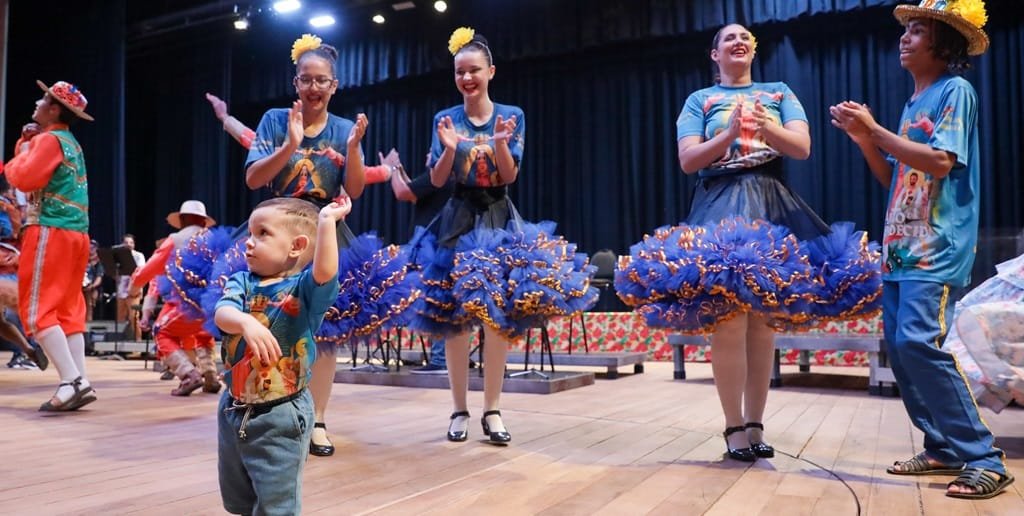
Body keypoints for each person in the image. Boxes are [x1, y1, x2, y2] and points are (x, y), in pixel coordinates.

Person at [616, 23, 880, 462]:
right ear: (714, 54)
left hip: (771, 203)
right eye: (728, 40)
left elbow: (801, 147)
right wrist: (730, 134)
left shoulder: (778, 92)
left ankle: (756, 423)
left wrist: (764, 126)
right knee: (729, 319)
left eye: (745, 39)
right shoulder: (699, 100)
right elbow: (688, 160)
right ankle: (732, 426)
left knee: (763, 323)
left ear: (753, 50)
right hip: (719, 203)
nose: (738, 43)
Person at [190, 33, 417, 457]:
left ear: (334, 86)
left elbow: (353, 188)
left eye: (322, 81)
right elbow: (254, 179)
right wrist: (291, 145)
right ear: (296, 82)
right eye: (306, 80)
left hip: (326, 231)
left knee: (323, 330)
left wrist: (352, 150)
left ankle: (316, 419)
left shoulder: (346, 128)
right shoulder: (277, 120)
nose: (314, 88)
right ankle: (257, 403)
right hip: (277, 226)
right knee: (262, 316)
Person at [830, 0, 1013, 499]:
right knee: (903, 351)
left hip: (936, 244)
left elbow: (937, 161)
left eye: (917, 31)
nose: (904, 39)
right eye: (904, 31)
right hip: (901, 247)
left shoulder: (956, 90)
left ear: (944, 43)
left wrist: (875, 130)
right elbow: (895, 179)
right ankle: (942, 446)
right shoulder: (915, 103)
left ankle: (983, 457)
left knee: (917, 343)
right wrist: (864, 140)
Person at [407, 27, 596, 445]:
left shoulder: (512, 114)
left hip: (497, 215)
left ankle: (492, 409)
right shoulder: (445, 119)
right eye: (460, 72)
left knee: (497, 319)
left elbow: (509, 174)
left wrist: (499, 144)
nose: (467, 78)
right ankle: (459, 409)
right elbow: (437, 180)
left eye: (474, 70)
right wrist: (451, 149)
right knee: (454, 320)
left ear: (490, 71)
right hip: (456, 217)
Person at [214, 197, 345, 515]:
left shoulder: (304, 289)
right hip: (233, 407)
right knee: (240, 500)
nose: (249, 242)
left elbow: (325, 271)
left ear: (296, 246)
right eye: (250, 233)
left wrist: (327, 221)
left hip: (281, 414)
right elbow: (222, 313)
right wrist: (245, 321)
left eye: (262, 233)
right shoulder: (241, 281)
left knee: (276, 505)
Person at [2, 79, 94, 411]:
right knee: (68, 311)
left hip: (50, 230)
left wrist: (22, 148)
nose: (36, 106)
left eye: (42, 101)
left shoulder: (50, 140)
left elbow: (22, 178)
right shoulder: (71, 143)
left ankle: (71, 381)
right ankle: (81, 380)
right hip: (77, 234)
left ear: (54, 108)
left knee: (37, 309)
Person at [204, 92, 401, 186]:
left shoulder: (338, 144)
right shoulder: (278, 138)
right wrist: (225, 118)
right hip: (284, 220)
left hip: (325, 225)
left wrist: (387, 170)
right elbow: (249, 138)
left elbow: (361, 173)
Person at [130, 201, 221, 396]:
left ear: (182, 219)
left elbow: (147, 273)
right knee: (204, 335)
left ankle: (189, 374)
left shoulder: (176, 240)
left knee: (161, 331)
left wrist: (135, 282)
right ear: (204, 221)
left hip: (189, 305)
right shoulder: (215, 240)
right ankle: (210, 375)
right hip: (215, 306)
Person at [393, 157, 454, 375]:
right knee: (442, 300)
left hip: (433, 246)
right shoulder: (446, 176)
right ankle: (450, 357)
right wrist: (399, 169)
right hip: (444, 243)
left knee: (436, 300)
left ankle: (440, 359)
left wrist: (390, 168)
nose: (428, 154)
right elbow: (413, 191)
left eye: (432, 150)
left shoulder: (438, 175)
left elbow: (402, 192)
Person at [116, 233, 146, 340]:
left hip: (133, 290)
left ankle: (138, 342)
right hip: (121, 290)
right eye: (126, 242)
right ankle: (120, 341)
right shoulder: (118, 257)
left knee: (134, 317)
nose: (128, 244)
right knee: (120, 318)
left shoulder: (139, 256)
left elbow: (141, 272)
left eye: (131, 242)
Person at [82, 239, 104, 322]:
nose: (91, 248)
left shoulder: (99, 262)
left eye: (93, 247)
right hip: (80, 287)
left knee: (89, 302)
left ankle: (88, 323)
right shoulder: (82, 259)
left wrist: (92, 286)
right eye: (89, 247)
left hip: (93, 287)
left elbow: (99, 278)